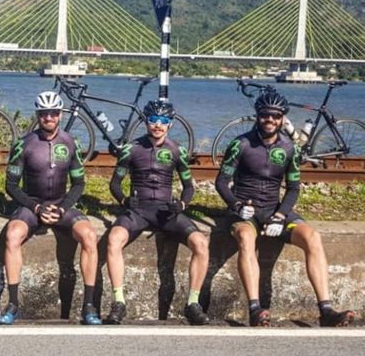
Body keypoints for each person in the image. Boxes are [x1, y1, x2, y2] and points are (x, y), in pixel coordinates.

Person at [215, 90, 356, 327]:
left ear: (283, 119)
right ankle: (255, 309)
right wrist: (236, 205)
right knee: (246, 237)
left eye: (276, 116)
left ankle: (326, 310)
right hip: (245, 210)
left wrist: (280, 216)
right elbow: (221, 181)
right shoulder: (240, 144)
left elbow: (293, 188)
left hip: (274, 210)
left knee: (312, 237)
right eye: (265, 115)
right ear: (257, 115)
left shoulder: (290, 148)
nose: (270, 120)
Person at [0, 91, 101, 325]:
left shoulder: (71, 143)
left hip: (61, 205)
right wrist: (35, 208)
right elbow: (10, 185)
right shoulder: (24, 144)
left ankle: (89, 306)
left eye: (54, 113)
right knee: (12, 235)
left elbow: (79, 183)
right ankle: (13, 304)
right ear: (38, 115)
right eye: (44, 113)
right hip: (32, 205)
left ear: (60, 115)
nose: (49, 117)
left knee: (89, 236)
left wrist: (62, 208)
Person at [105, 100, 209, 325]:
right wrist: (124, 200)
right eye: (153, 120)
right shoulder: (131, 149)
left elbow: (189, 187)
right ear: (146, 122)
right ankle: (118, 302)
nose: (158, 125)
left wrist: (182, 205)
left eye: (163, 121)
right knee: (113, 239)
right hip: (138, 210)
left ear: (170, 124)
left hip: (166, 212)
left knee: (201, 243)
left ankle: (193, 303)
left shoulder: (177, 150)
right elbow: (114, 183)